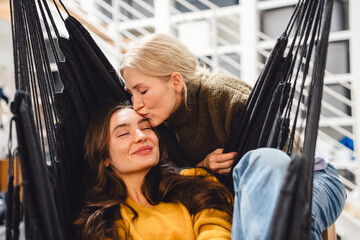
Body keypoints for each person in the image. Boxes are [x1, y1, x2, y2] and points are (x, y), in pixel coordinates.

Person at [119, 33, 347, 239]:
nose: (136, 104)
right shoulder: (156, 126)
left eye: (143, 91)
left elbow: (283, 158)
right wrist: (203, 165)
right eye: (132, 94)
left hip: (310, 178)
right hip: (246, 201)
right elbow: (170, 177)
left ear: (176, 82)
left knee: (290, 220)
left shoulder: (223, 96)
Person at [74, 104, 233, 239]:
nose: (141, 136)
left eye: (145, 127)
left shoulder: (196, 184)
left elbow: (217, 232)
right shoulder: (104, 224)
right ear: (104, 157)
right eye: (123, 133)